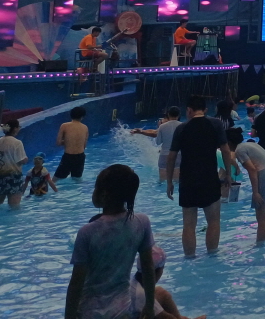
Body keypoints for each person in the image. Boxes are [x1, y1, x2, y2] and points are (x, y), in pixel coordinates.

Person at [65, 164, 155, 319]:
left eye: (95, 188)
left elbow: (76, 282)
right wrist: (150, 305)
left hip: (89, 312)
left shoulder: (87, 232)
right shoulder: (141, 223)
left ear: (103, 195)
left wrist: (69, 316)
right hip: (122, 310)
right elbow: (148, 267)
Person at [167, 94, 234, 257]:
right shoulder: (215, 124)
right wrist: (228, 174)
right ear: (205, 109)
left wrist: (169, 182)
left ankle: (189, 257)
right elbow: (226, 150)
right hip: (209, 179)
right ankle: (212, 256)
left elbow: (171, 157)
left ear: (189, 110)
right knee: (213, 221)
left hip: (187, 181)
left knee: (189, 225)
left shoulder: (181, 128)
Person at [226, 127, 265, 245]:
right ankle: (263, 241)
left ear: (229, 143)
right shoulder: (249, 144)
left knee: (261, 216)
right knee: (263, 215)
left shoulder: (239, 150)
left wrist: (255, 192)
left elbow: (252, 170)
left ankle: (260, 246)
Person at [129, 245, 206, 319]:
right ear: (157, 272)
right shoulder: (141, 294)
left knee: (161, 293)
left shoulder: (134, 281)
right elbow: (166, 317)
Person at [132, 106, 183, 183]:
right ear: (178, 115)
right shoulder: (183, 126)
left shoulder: (162, 126)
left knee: (162, 181)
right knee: (176, 181)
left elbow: (158, 141)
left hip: (164, 156)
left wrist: (141, 132)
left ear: (168, 114)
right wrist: (141, 132)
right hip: (177, 155)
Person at [0, 119, 27, 208]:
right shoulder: (17, 143)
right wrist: (26, 159)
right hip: (12, 176)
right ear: (15, 129)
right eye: (19, 127)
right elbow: (21, 160)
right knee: (14, 207)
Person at [56, 106, 90, 180]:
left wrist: (68, 141)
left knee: (55, 180)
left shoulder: (64, 126)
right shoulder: (85, 127)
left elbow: (58, 143)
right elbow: (84, 146)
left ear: (71, 115)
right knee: (77, 180)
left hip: (68, 157)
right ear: (82, 117)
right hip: (80, 157)